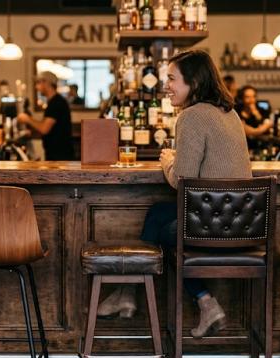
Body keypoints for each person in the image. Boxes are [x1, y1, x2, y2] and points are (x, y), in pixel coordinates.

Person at [99, 50, 252, 338]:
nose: (166, 85)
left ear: (193, 81)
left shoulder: (192, 116)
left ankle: (193, 299)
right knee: (159, 214)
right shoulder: (229, 113)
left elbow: (181, 180)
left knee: (168, 233)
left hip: (212, 226)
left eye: (171, 78)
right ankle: (130, 293)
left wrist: (168, 161)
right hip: (242, 223)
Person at [17, 71, 74, 160]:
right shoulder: (53, 102)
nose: (36, 87)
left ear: (46, 83)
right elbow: (51, 128)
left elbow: (44, 129)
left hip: (60, 156)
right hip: (57, 154)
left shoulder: (56, 103)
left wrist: (27, 119)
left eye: (38, 83)